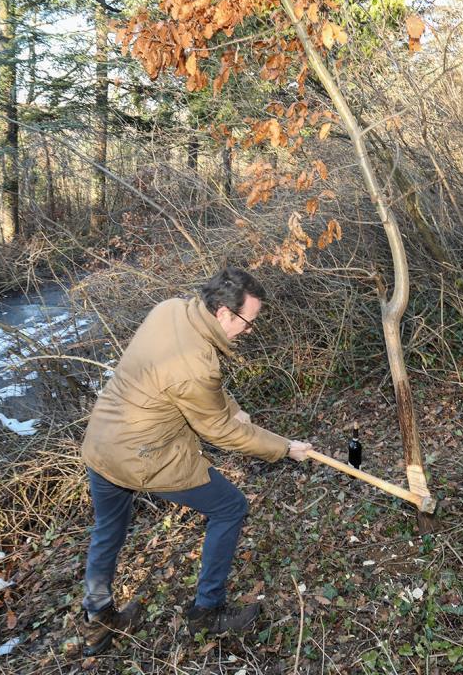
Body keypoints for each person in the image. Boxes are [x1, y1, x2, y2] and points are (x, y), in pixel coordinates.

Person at [78, 266, 312, 654]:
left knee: (108, 530)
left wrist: (233, 408)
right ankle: (207, 612)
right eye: (248, 322)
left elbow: (198, 393)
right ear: (223, 313)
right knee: (230, 507)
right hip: (143, 454)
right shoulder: (197, 362)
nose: (249, 330)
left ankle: (98, 619)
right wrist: (284, 447)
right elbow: (218, 428)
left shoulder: (170, 309)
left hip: (102, 443)